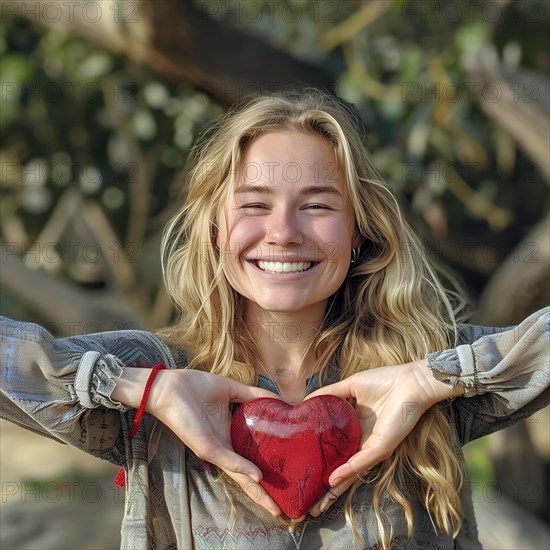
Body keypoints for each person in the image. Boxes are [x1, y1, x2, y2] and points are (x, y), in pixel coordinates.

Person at [1, 88, 548, 550]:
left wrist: (432, 378)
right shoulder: (161, 378)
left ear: (360, 231)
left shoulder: (426, 374)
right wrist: (133, 387)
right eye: (255, 205)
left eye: (317, 206)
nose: (284, 231)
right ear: (216, 229)